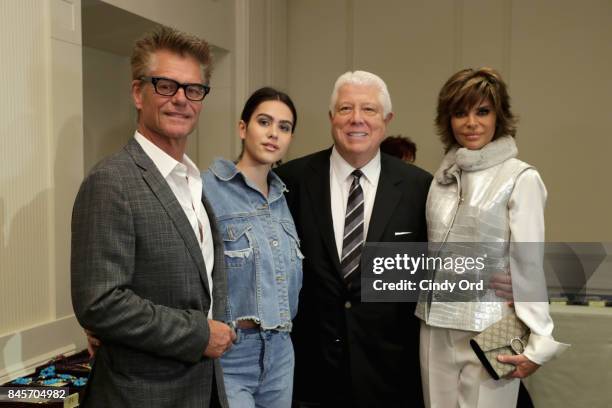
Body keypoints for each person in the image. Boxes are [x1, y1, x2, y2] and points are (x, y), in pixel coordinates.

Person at [71, 26, 235, 408]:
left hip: (203, 388)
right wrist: (199, 335)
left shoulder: (195, 181)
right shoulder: (111, 180)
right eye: (165, 85)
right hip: (141, 394)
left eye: (193, 89)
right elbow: (100, 302)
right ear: (137, 93)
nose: (181, 99)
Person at [275, 71, 432, 407]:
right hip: (309, 378)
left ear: (387, 120)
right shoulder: (290, 181)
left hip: (391, 379)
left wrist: (496, 281)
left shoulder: (421, 188)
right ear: (332, 118)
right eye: (345, 109)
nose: (356, 119)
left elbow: (437, 274)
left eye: (369, 110)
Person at [415, 67, 569, 407]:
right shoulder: (440, 179)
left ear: (499, 116)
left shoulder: (521, 177)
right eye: (460, 112)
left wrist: (539, 341)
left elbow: (528, 264)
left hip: (491, 326)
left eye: (482, 111)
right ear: (448, 119)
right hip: (433, 325)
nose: (471, 122)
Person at [202, 87, 302, 408]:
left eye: (284, 127)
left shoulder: (283, 198)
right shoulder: (206, 189)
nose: (274, 134)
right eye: (264, 122)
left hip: (281, 352)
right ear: (243, 128)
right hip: (232, 352)